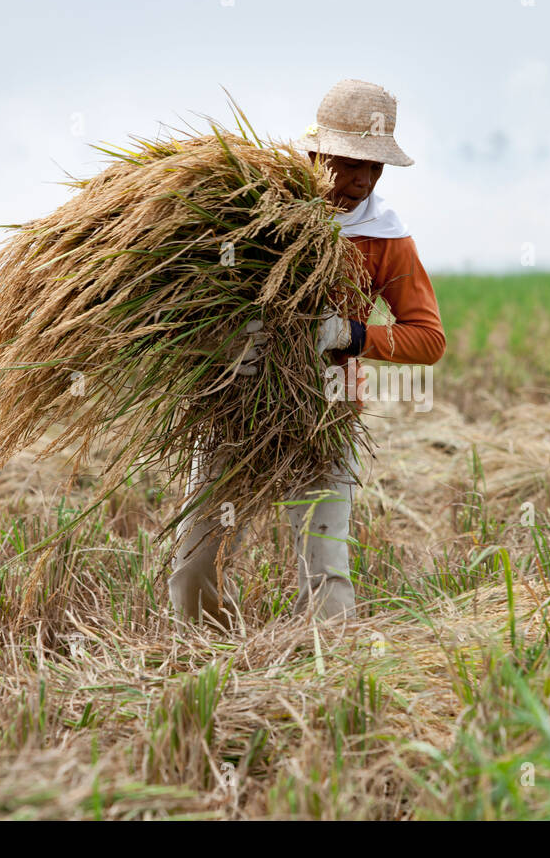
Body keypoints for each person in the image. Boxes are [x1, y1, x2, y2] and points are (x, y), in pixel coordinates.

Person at [167, 79, 444, 626]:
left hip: (326, 414)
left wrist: (350, 336)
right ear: (315, 155)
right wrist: (225, 342)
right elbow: (179, 301)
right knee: (194, 569)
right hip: (232, 409)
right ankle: (207, 675)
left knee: (327, 580)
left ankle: (326, 687)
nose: (361, 180)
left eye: (374, 168)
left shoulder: (385, 238)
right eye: (347, 164)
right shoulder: (252, 216)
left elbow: (429, 339)